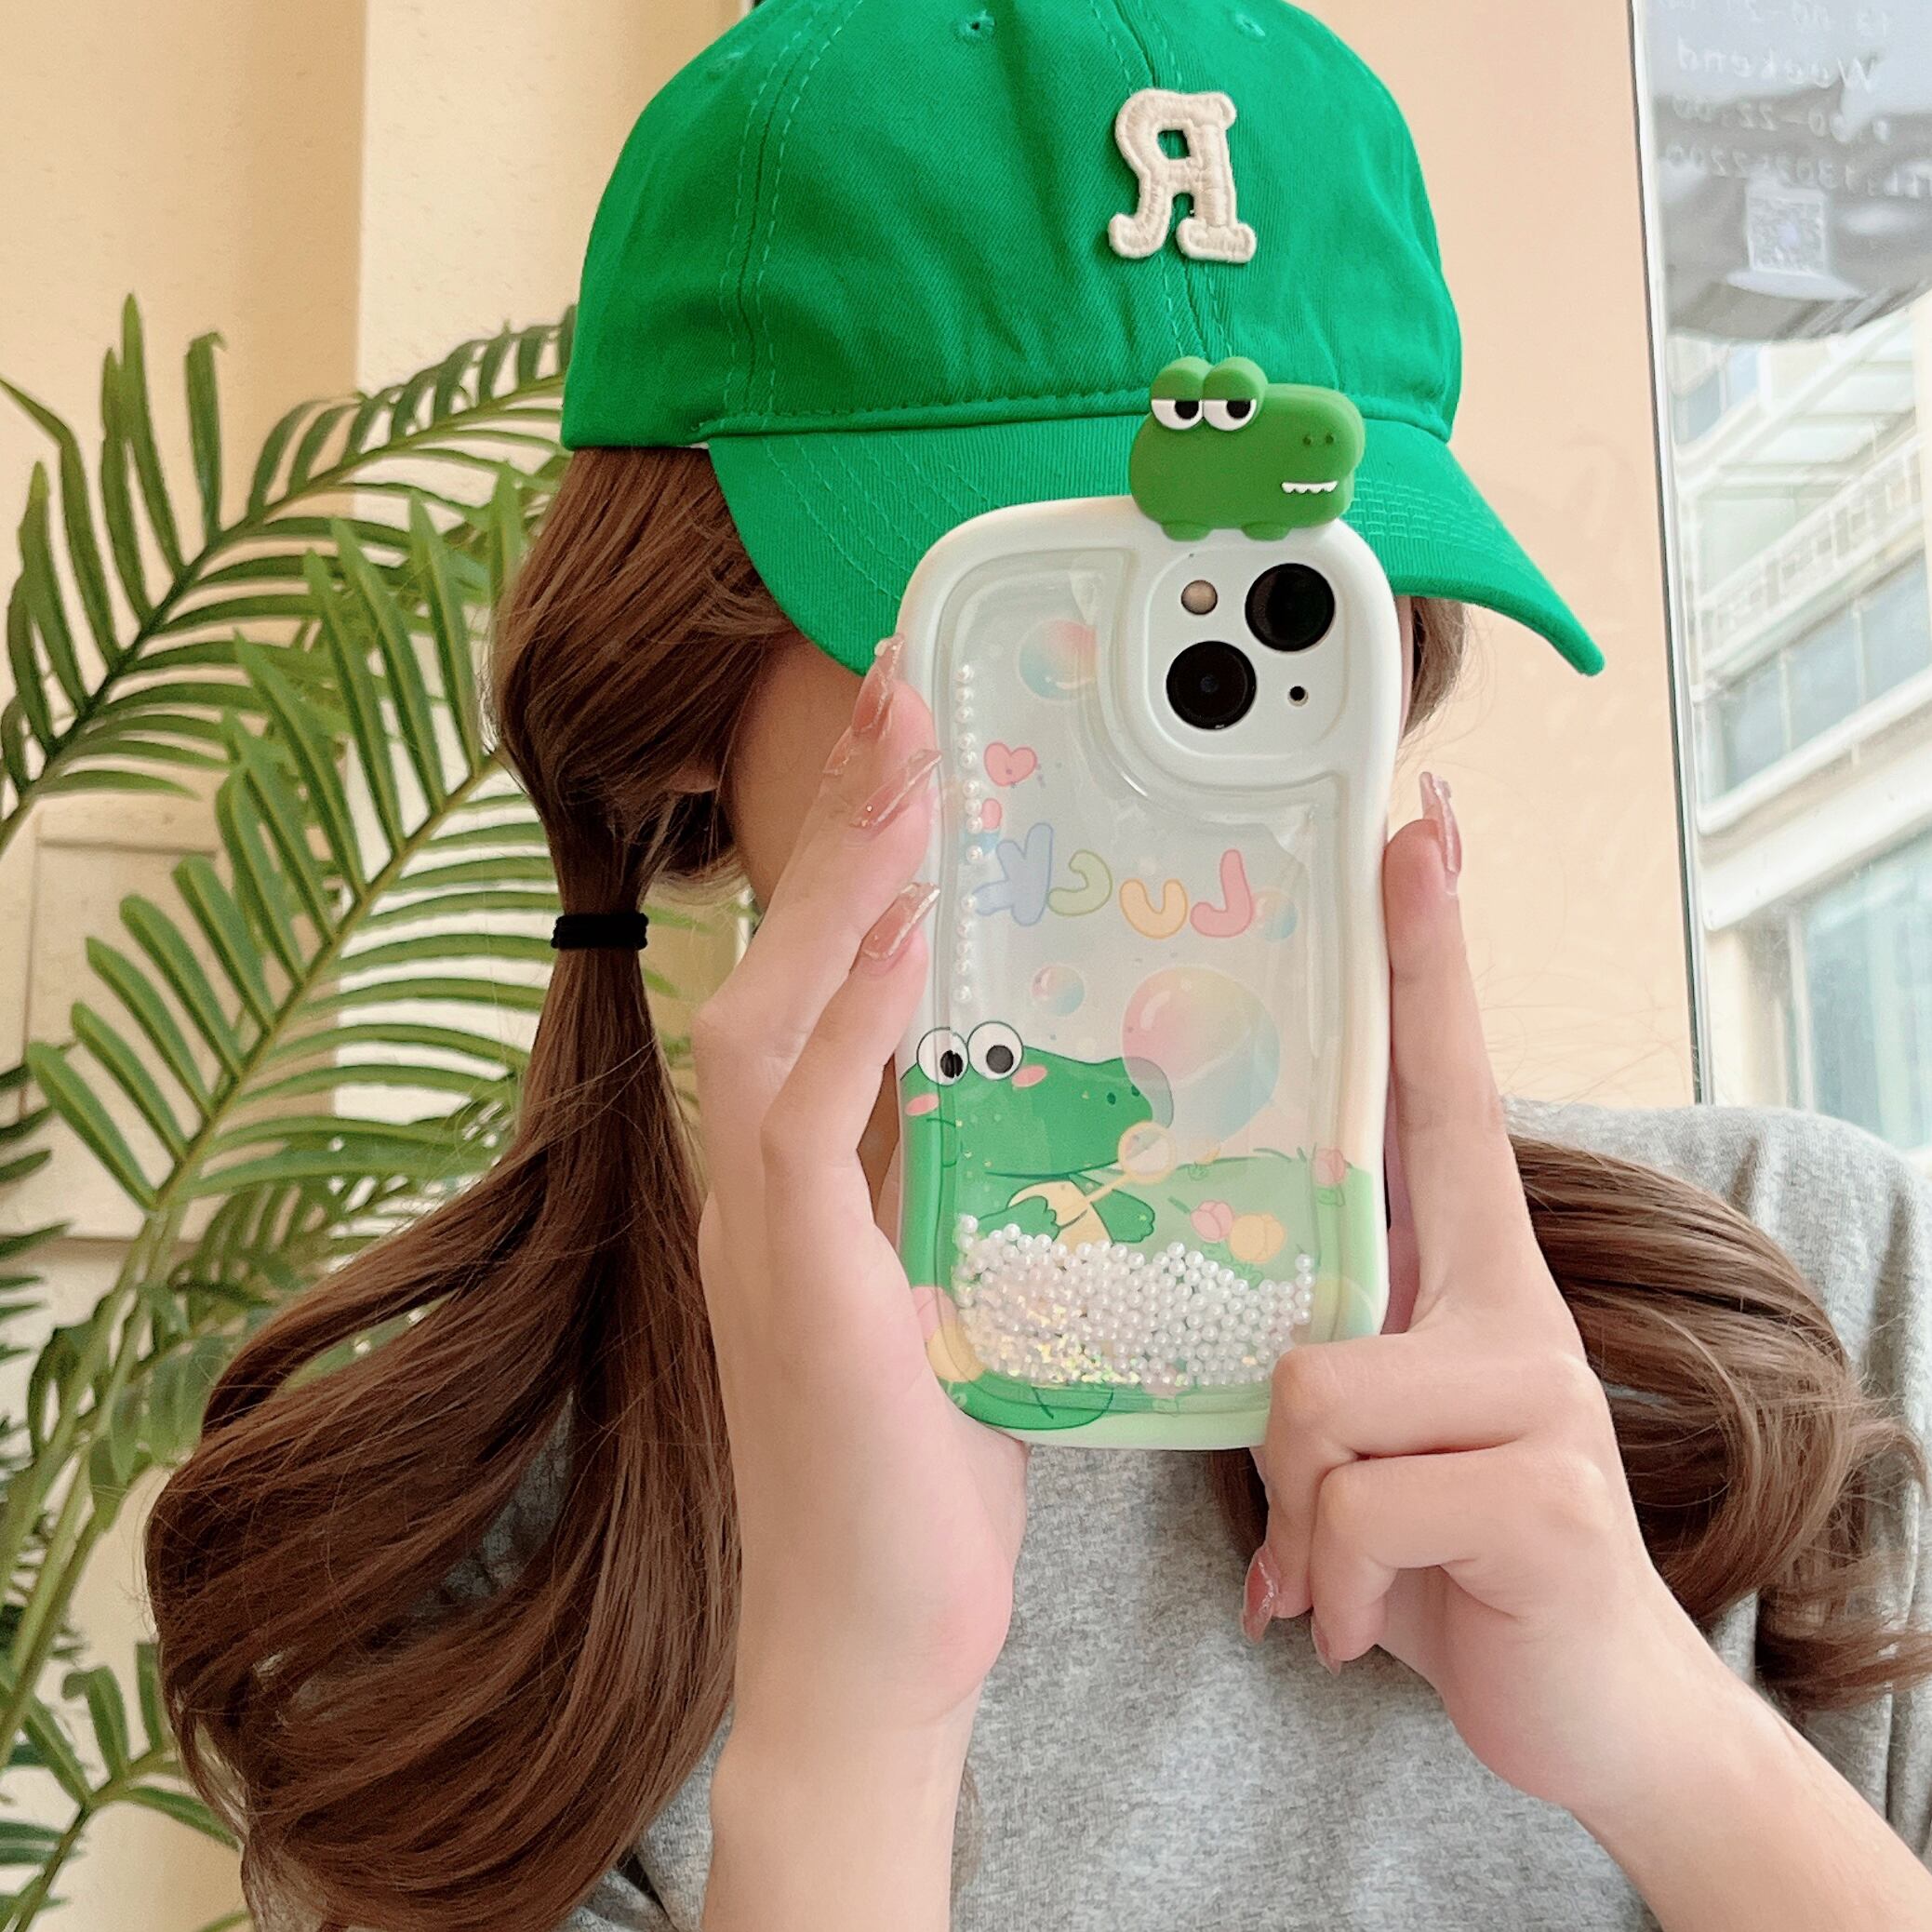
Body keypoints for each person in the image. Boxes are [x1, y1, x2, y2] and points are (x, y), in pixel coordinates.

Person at [145, 4, 1932, 1928]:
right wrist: (851, 1729)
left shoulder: (1817, 1306)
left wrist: (1668, 1740)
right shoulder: (445, 1562)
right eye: (1028, 627)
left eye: (1260, 620)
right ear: (677, 695)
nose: (1131, 763)